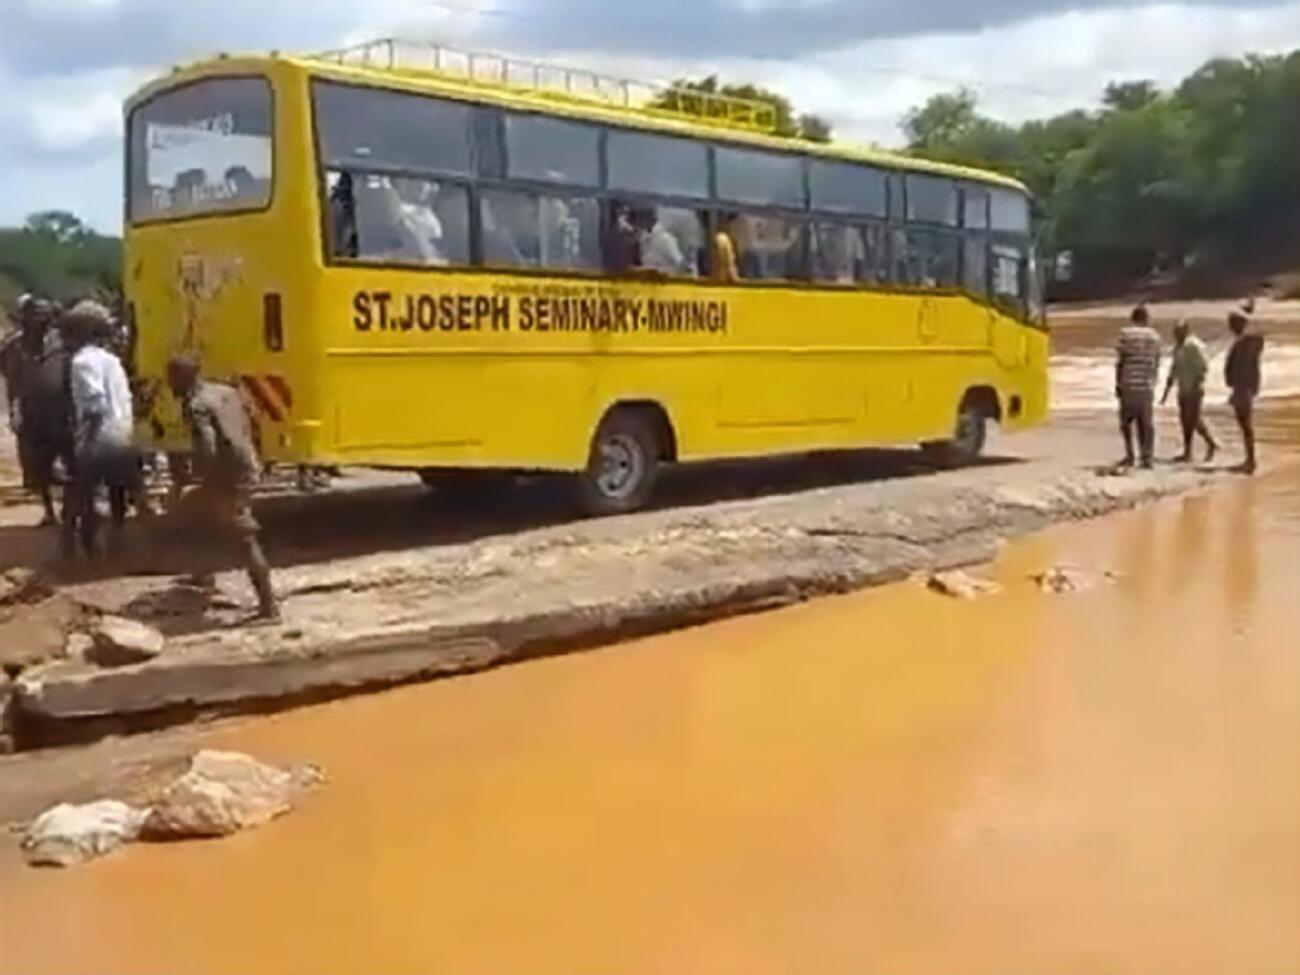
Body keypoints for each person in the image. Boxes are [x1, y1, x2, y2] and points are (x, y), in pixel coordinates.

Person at [166, 354, 278, 620]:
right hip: (246, 465)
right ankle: (203, 574)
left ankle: (269, 606)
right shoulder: (226, 392)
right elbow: (252, 420)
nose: (169, 384)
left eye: (172, 378)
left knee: (244, 537)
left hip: (227, 476)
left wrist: (199, 477)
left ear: (183, 377)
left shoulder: (196, 405)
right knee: (197, 514)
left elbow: (207, 446)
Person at [63, 300, 147, 557]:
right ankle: (123, 545)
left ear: (82, 331)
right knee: (120, 491)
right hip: (126, 433)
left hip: (101, 436)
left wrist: (81, 444)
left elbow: (94, 403)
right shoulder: (112, 360)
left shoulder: (81, 362)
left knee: (88, 495)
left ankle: (91, 554)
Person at [16, 301, 75, 526]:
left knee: (72, 464)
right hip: (34, 415)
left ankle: (71, 510)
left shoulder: (64, 345)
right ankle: (49, 510)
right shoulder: (16, 346)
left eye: (42, 317)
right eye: (33, 316)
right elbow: (14, 378)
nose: (37, 321)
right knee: (40, 466)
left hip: (62, 414)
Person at [1161, 319, 1217, 463]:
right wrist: (1166, 392)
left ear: (1186, 331)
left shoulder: (1193, 345)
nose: (1176, 334)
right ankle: (1194, 449)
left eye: (1179, 331)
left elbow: (1203, 366)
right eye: (1175, 332)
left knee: (1192, 419)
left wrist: (1198, 383)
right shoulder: (1178, 348)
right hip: (1183, 388)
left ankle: (1204, 446)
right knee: (1187, 420)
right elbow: (1174, 369)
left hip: (1193, 388)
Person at [1115, 305, 1162, 469]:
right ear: (1146, 319)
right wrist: (1153, 381)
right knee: (1146, 424)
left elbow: (1120, 362)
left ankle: (1130, 456)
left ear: (1133, 318)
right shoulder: (1155, 337)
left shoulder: (1125, 334)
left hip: (1128, 383)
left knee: (1126, 422)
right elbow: (1156, 363)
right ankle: (1147, 457)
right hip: (1146, 385)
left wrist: (1118, 384)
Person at [1224, 309, 1264, 475]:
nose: (1230, 327)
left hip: (1242, 388)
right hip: (1243, 387)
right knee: (1245, 424)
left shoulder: (1245, 343)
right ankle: (1250, 459)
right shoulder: (1247, 343)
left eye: (1232, 324)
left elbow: (1231, 369)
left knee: (1246, 424)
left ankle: (1251, 460)